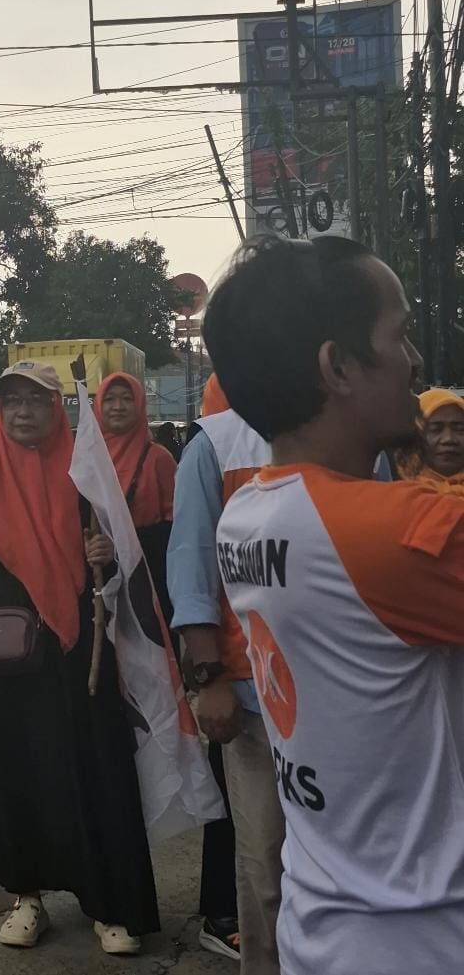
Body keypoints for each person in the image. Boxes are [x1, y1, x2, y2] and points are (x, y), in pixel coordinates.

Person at [205, 234, 464, 975]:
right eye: (399, 332)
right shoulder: (392, 535)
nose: (414, 358)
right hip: (422, 935)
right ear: (338, 366)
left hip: (321, 916)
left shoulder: (247, 514)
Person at [0, 361, 158, 957]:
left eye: (37, 401)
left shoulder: (85, 479)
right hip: (0, 664)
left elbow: (129, 564)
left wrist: (103, 546)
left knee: (93, 775)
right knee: (14, 779)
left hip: (80, 658)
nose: (24, 412)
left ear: (59, 411)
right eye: (14, 402)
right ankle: (26, 898)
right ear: (1, 414)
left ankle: (109, 904)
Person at [167, 372, 275, 970]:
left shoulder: (357, 432)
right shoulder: (216, 444)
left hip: (346, 696)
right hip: (253, 697)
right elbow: (191, 564)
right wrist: (209, 679)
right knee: (266, 865)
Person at [94, 372, 178, 634]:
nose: (118, 407)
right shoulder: (87, 458)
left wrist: (123, 546)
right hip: (98, 580)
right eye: (109, 399)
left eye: (127, 399)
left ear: (140, 405)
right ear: (98, 405)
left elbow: (176, 529)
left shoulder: (158, 459)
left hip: (148, 582)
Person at [398, 387, 464, 493]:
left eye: (460, 429)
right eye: (436, 429)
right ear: (416, 436)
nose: (448, 439)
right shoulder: (400, 495)